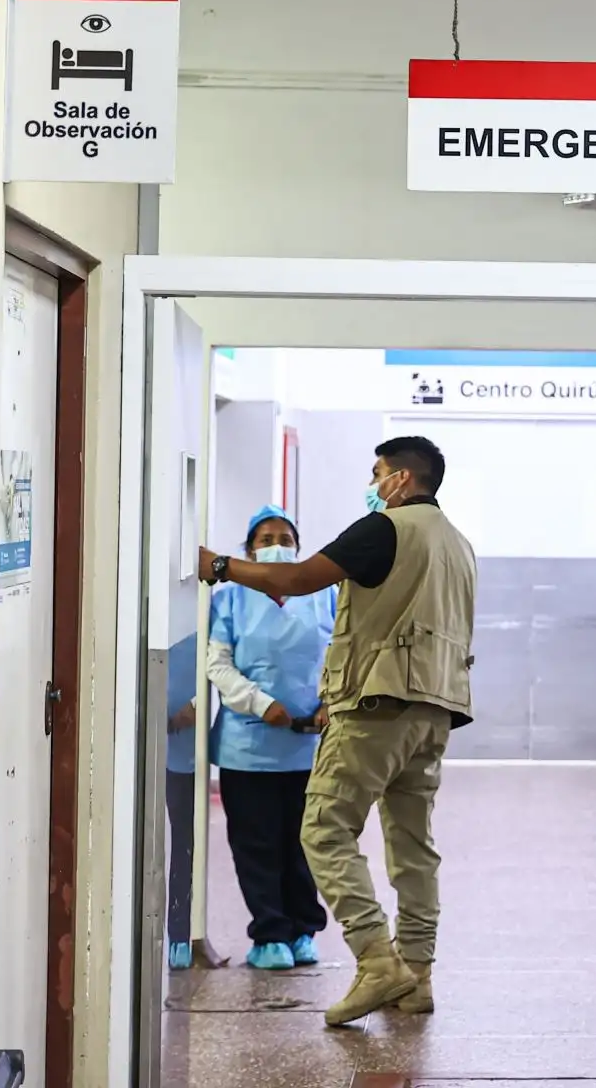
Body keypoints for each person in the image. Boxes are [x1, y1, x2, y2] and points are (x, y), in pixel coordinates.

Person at [198, 435, 475, 1027]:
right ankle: (418, 974)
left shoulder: (384, 529)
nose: (372, 485)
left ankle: (378, 961)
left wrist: (218, 567)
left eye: (378, 473)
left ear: (401, 478)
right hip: (435, 711)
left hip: (377, 705)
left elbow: (295, 580)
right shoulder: (459, 543)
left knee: (323, 829)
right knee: (412, 845)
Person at [205, 505, 336, 971]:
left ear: (298, 547)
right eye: (265, 538)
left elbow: (345, 653)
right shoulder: (230, 600)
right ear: (248, 551)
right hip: (249, 749)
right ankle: (270, 935)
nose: (277, 544)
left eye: (284, 536)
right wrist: (262, 704)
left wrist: (328, 703)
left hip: (310, 747)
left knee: (306, 844)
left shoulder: (326, 595)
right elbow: (218, 665)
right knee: (257, 846)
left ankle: (304, 930)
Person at [165, 631, 199, 971]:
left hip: (193, 748)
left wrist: (201, 702)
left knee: (185, 843)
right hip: (155, 746)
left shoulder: (208, 607)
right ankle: (178, 935)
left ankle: (184, 935)